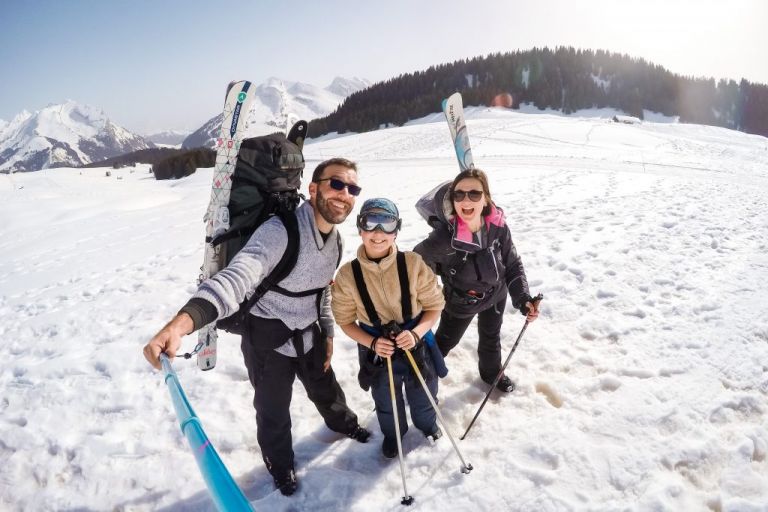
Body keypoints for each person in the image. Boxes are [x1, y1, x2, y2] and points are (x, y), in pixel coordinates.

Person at [143, 158, 371, 496]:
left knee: (326, 389)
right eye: (336, 184)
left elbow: (323, 290)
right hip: (268, 341)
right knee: (272, 411)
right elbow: (236, 278)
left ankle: (346, 425)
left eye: (352, 189)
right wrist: (181, 324)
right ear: (314, 188)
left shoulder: (335, 241)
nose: (345, 194)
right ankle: (281, 468)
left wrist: (328, 331)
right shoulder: (280, 232)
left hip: (310, 335)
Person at [332, 198, 446, 459]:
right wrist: (371, 343)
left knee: (424, 392)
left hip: (415, 342)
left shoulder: (414, 264)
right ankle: (394, 434)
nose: (378, 233)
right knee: (386, 400)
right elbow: (345, 320)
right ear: (360, 228)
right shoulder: (348, 276)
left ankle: (428, 425)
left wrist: (416, 333)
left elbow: (434, 305)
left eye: (387, 224)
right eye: (371, 223)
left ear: (396, 230)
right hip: (377, 348)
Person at [414, 168, 539, 393]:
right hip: (461, 302)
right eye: (459, 194)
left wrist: (523, 298)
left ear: (485, 198)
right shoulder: (444, 240)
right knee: (444, 342)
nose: (466, 200)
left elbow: (512, 263)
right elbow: (413, 269)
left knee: (491, 337)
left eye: (474, 193)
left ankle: (492, 374)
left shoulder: (498, 227)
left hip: (497, 294)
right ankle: (419, 378)